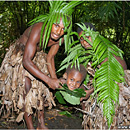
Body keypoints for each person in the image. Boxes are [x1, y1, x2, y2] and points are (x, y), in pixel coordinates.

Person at [0, 1, 82, 129]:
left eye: (63, 29)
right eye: (56, 26)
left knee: (41, 90)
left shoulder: (59, 39)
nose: (59, 31)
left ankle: (41, 124)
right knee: (26, 88)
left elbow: (50, 58)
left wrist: (53, 79)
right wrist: (48, 79)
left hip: (37, 56)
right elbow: (26, 61)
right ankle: (31, 127)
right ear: (50, 22)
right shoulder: (39, 29)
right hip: (21, 54)